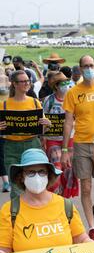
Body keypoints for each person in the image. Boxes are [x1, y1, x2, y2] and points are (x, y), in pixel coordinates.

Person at [61, 55, 94, 241]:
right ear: (80, 69)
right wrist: (65, 150)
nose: (89, 68)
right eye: (85, 66)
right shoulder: (73, 93)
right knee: (86, 187)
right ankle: (91, 226)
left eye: (92, 65)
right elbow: (68, 122)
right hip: (82, 143)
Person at [0, 70, 50, 199]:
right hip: (12, 147)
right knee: (16, 188)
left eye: (28, 81)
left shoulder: (35, 103)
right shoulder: (4, 105)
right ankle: (17, 216)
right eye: (23, 81)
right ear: (14, 84)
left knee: (34, 184)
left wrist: (47, 124)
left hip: (32, 145)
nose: (26, 83)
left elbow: (41, 130)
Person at [43, 72, 78, 198]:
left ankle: (65, 200)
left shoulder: (73, 98)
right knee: (57, 168)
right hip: (53, 140)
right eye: (63, 83)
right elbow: (42, 119)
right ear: (56, 86)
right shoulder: (49, 100)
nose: (66, 86)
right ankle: (54, 196)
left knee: (68, 170)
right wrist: (44, 135)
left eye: (67, 83)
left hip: (70, 139)